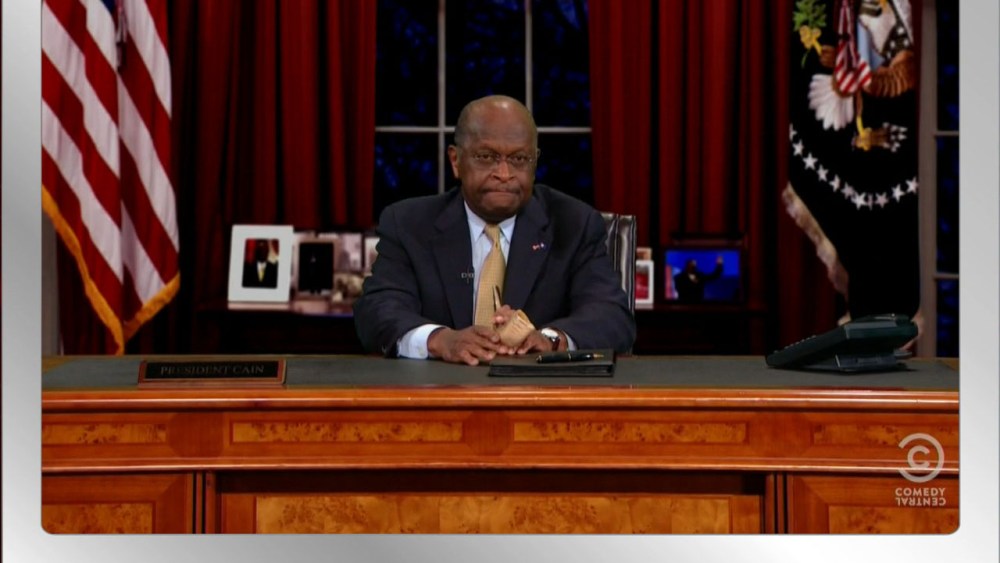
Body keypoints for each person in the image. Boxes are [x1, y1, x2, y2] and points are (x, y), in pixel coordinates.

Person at [353, 94, 635, 365]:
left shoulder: (574, 225)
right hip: (438, 390)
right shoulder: (409, 224)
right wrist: (440, 340)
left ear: (535, 162)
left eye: (519, 159)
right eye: (486, 157)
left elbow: (612, 317)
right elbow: (377, 311)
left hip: (539, 392)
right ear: (456, 161)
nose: (504, 174)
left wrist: (550, 340)